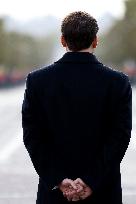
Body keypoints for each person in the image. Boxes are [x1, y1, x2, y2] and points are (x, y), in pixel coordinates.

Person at [22, 11, 132, 204]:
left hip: (54, 195)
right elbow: (120, 137)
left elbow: (32, 136)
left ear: (63, 40)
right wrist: (91, 180)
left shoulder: (37, 81)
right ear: (96, 41)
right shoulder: (118, 82)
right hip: (103, 191)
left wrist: (57, 178)